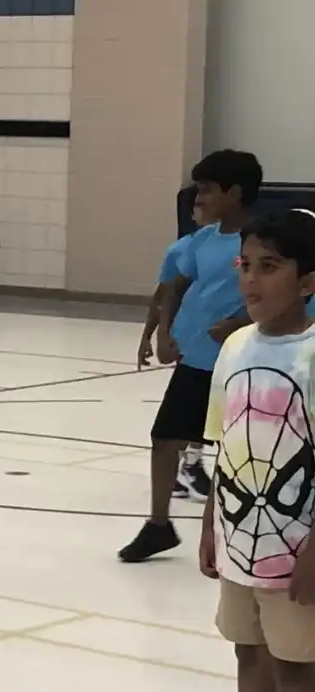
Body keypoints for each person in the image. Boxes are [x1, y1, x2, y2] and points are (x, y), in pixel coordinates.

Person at [119, 149, 262, 563]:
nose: (199, 197)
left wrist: (238, 321)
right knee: (164, 438)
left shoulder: (263, 240)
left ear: (234, 192)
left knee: (239, 451)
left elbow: (282, 293)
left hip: (242, 363)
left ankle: (229, 530)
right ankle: (158, 525)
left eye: (207, 189)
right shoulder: (202, 240)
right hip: (196, 360)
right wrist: (164, 333)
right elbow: (174, 288)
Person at [200, 210, 315, 691]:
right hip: (238, 541)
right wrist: (210, 523)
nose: (251, 279)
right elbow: (225, 444)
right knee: (247, 652)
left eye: (269, 267)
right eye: (244, 265)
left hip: (298, 551)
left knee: (296, 666)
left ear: (307, 282)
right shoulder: (235, 346)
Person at [137, 204, 215, 501]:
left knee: (209, 408)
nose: (204, 209)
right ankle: (190, 464)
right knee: (192, 408)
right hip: (188, 338)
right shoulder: (182, 249)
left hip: (217, 340)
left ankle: (190, 462)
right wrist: (150, 335)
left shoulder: (241, 243)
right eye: (198, 205)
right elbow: (163, 295)